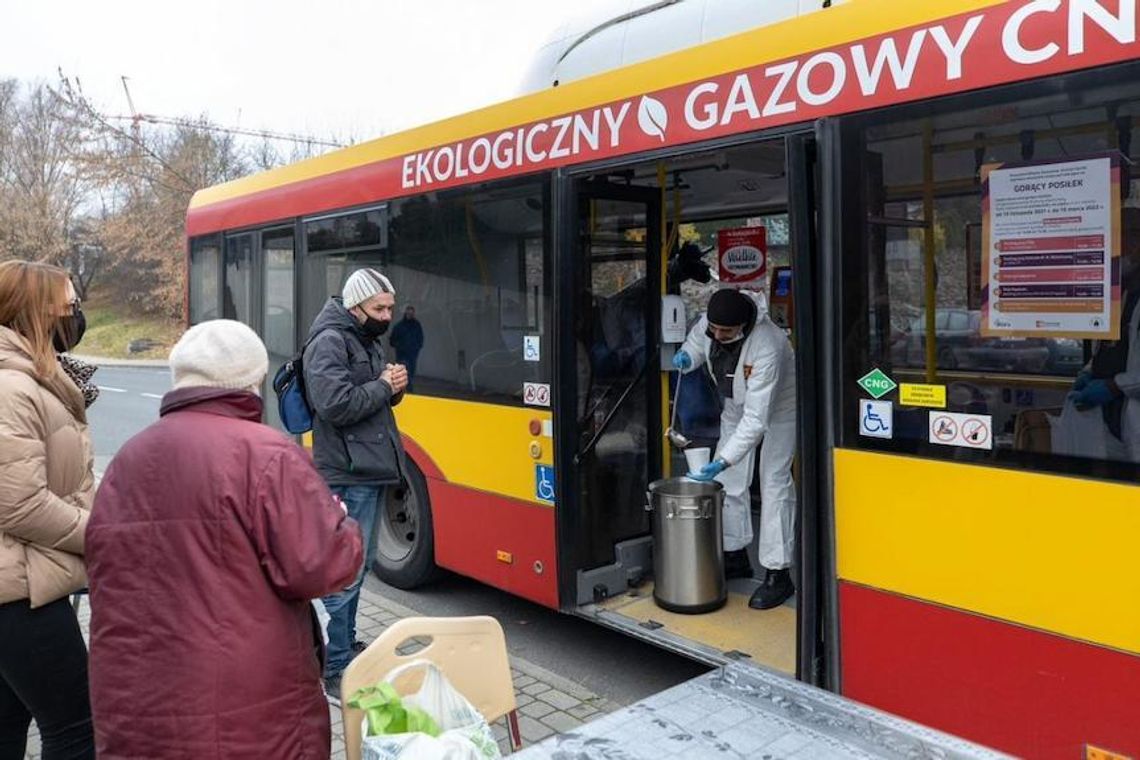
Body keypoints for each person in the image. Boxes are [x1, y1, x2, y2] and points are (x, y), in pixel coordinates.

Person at [85, 320, 362, 759]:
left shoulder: (128, 459)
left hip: (137, 706)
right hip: (246, 716)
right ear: (251, 381)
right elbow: (321, 567)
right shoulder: (267, 455)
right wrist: (341, 524)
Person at [0, 261, 96, 759]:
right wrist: (98, 534)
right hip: (19, 593)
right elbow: (17, 504)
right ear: (34, 314)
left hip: (19, 584)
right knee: (78, 727)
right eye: (68, 305)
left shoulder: (30, 378)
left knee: (8, 724)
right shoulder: (11, 387)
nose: (76, 315)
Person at [304, 268, 409, 697]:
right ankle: (336, 665)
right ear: (355, 307)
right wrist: (384, 386)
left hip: (364, 468)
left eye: (390, 307)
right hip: (347, 475)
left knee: (358, 568)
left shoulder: (359, 336)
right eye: (379, 308)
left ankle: (341, 647)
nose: (387, 316)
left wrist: (392, 387)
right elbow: (335, 404)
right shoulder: (330, 340)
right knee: (347, 572)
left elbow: (365, 395)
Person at [673, 287, 797, 610]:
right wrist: (688, 357)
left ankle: (778, 572)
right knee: (730, 482)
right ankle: (735, 553)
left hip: (780, 410)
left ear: (743, 326)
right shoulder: (712, 323)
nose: (717, 334)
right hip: (735, 404)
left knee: (773, 481)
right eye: (713, 328)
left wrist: (724, 458)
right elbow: (698, 342)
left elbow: (757, 420)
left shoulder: (768, 344)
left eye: (724, 331)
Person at [1069, 206, 1140, 462]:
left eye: (1117, 243)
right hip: (1111, 420)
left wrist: (1113, 385)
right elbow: (1108, 347)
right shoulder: (1120, 295)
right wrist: (1089, 371)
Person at [389, 305, 424, 392]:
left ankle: (409, 390)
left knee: (410, 373)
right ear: (405, 313)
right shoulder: (399, 326)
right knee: (400, 373)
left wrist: (416, 348)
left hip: (412, 354)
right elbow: (392, 340)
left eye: (411, 313)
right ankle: (400, 391)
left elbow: (420, 338)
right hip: (401, 354)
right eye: (408, 313)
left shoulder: (416, 326)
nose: (409, 314)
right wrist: (399, 346)